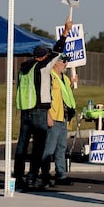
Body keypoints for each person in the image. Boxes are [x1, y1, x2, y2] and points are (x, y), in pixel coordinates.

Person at [14, 19, 71, 189]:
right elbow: (58, 51)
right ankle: (32, 178)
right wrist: (65, 32)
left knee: (22, 146)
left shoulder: (24, 69)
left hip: (25, 111)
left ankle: (18, 177)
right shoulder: (43, 67)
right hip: (39, 112)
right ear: (43, 57)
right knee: (38, 148)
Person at [39, 53, 77, 188]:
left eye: (66, 61)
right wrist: (47, 115)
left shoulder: (65, 78)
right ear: (55, 62)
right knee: (49, 148)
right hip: (54, 117)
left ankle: (61, 174)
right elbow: (45, 98)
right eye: (63, 61)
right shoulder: (49, 77)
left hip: (64, 117)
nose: (65, 64)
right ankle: (45, 176)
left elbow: (65, 95)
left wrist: (72, 84)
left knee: (62, 148)